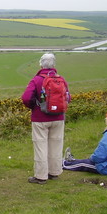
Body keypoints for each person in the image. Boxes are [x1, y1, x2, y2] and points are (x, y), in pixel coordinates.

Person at [21, 53, 70, 184]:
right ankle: (54, 172)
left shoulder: (36, 80)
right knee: (56, 145)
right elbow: (68, 97)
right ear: (54, 64)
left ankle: (41, 176)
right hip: (59, 117)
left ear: (41, 64)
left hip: (40, 118)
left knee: (40, 146)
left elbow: (26, 98)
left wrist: (34, 107)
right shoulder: (61, 79)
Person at [63, 108, 107, 175]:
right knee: (85, 161)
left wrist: (92, 158)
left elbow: (100, 156)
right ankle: (71, 160)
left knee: (83, 164)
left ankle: (63, 164)